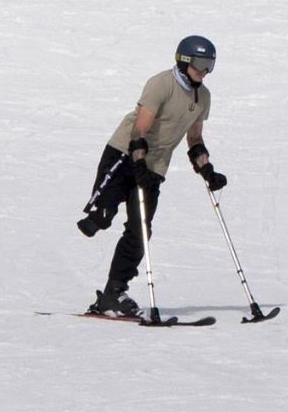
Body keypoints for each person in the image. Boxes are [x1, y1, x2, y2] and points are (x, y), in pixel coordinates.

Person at [77, 35, 227, 317]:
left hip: (155, 167)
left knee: (140, 231)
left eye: (210, 65)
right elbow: (139, 131)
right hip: (125, 154)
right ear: (184, 61)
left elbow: (194, 139)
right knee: (101, 216)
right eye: (200, 64)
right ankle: (99, 214)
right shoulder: (161, 84)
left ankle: (113, 293)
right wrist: (138, 166)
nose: (205, 71)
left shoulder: (203, 97)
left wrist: (207, 170)